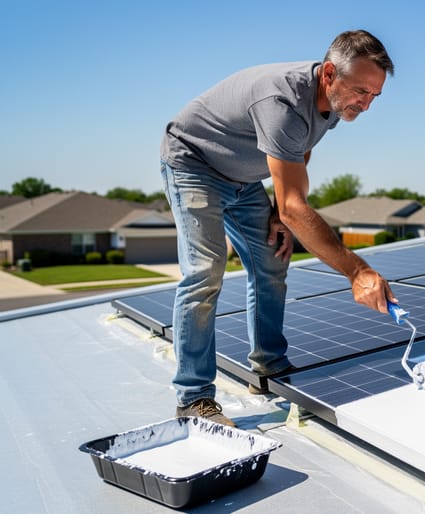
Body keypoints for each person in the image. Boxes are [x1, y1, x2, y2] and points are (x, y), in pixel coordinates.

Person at [160, 30, 397, 427]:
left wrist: (275, 209)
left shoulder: (334, 104)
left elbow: (300, 146)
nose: (366, 104)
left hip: (244, 177)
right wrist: (357, 271)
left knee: (271, 260)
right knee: (205, 273)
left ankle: (268, 368)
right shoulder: (281, 99)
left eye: (374, 95)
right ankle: (194, 399)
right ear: (327, 75)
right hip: (194, 164)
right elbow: (295, 203)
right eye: (360, 91)